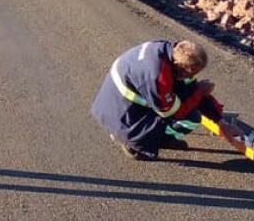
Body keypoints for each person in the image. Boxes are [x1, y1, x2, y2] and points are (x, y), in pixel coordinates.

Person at [91, 40, 222, 161]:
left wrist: (217, 116)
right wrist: (199, 93)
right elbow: (172, 112)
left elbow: (189, 85)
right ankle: (136, 143)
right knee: (192, 118)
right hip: (121, 115)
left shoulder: (168, 51)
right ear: (179, 67)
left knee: (186, 97)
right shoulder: (158, 77)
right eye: (191, 72)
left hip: (112, 104)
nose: (193, 76)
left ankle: (131, 134)